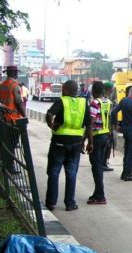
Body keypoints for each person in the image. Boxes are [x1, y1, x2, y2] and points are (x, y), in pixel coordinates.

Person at [44, 80, 93, 211]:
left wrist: (51, 125)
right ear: (76, 90)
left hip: (59, 142)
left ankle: (51, 203)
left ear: (65, 90)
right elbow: (89, 125)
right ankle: (70, 203)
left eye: (62, 88)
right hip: (76, 143)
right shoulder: (83, 103)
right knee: (71, 173)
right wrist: (90, 143)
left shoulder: (62, 101)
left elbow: (49, 114)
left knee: (54, 172)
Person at [86, 81, 112, 205]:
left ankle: (100, 196)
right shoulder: (107, 102)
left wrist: (89, 142)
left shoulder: (95, 103)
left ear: (94, 91)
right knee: (99, 166)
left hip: (96, 138)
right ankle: (97, 193)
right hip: (105, 136)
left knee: (96, 167)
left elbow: (90, 125)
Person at [111, 85, 132, 181]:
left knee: (127, 152)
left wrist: (116, 125)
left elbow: (113, 112)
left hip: (126, 131)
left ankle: (124, 173)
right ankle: (128, 174)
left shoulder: (124, 101)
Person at [0, 65, 26, 174]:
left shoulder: (2, 85)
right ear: (15, 74)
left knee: (6, 144)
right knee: (12, 145)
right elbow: (19, 103)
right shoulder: (15, 85)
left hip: (3, 118)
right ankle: (9, 167)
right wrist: (24, 116)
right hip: (13, 120)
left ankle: (5, 165)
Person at [101, 81, 116, 171]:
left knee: (107, 147)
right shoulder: (106, 101)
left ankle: (103, 163)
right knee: (106, 147)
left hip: (106, 127)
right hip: (105, 128)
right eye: (111, 89)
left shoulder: (107, 99)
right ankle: (103, 163)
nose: (112, 91)